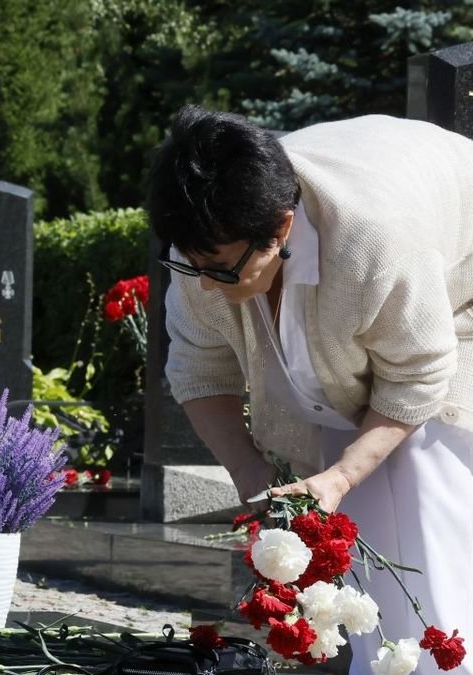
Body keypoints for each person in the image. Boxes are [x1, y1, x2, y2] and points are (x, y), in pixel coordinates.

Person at [147, 106, 473, 675]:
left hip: (457, 286)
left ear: (281, 229)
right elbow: (199, 373)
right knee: (338, 452)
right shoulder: (204, 244)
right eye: (191, 264)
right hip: (388, 279)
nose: (203, 284)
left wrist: (342, 475)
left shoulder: (375, 242)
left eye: (220, 268)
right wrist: (252, 475)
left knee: (421, 477)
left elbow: (419, 374)